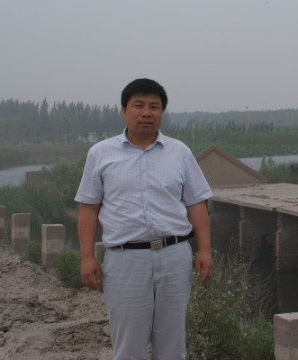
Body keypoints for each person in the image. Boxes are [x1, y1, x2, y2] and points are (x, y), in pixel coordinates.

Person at [75, 78, 213, 359]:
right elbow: (88, 208)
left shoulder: (180, 153)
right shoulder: (101, 153)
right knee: (129, 346)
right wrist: (87, 257)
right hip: (125, 259)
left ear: (162, 112)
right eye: (138, 105)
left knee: (173, 345)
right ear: (124, 110)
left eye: (155, 106)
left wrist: (205, 249)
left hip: (174, 255)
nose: (147, 112)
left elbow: (196, 203)